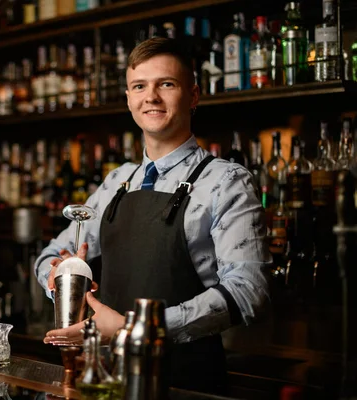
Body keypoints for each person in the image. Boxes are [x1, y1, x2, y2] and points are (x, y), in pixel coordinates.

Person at [34, 37, 271, 394]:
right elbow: (49, 257)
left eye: (167, 84)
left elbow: (247, 292)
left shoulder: (226, 181)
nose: (151, 97)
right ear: (129, 98)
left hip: (186, 384)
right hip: (110, 381)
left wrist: (135, 327)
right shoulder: (117, 182)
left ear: (193, 96)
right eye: (140, 86)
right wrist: (63, 281)